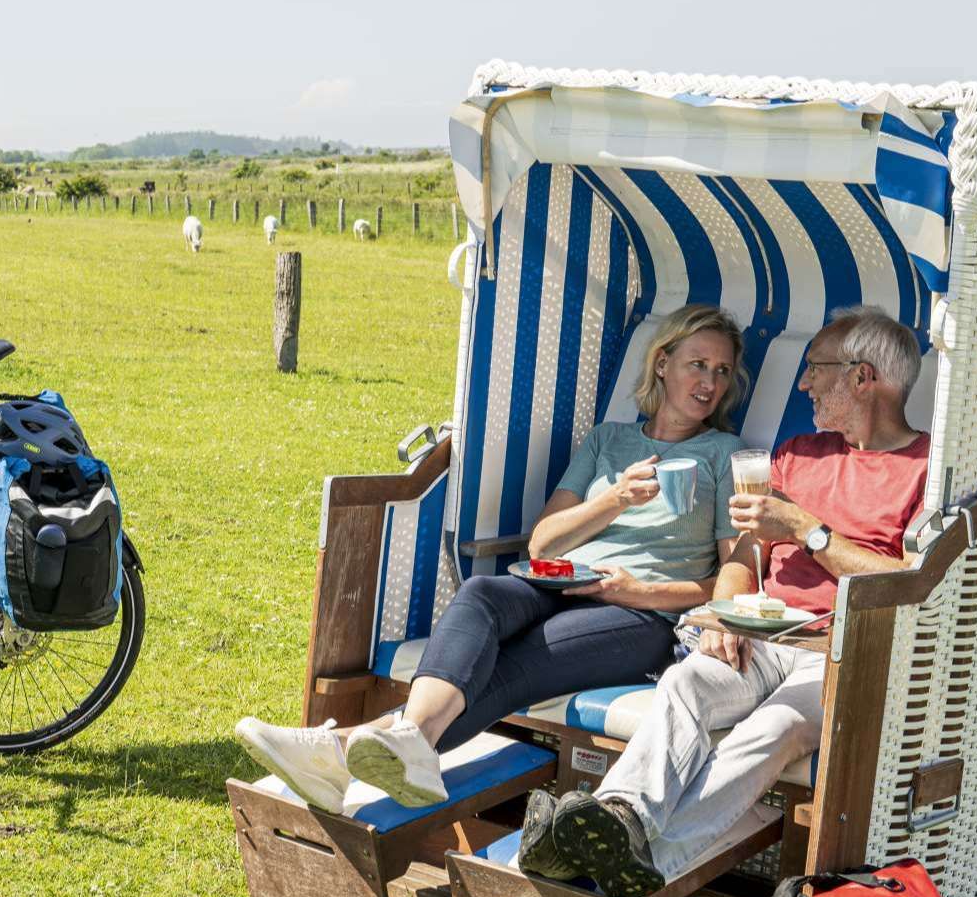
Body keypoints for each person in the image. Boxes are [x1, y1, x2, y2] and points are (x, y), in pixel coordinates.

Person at [235, 305, 752, 811]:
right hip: (561, 581)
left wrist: (639, 591)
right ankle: (405, 742)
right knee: (481, 591)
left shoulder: (724, 454)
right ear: (663, 363)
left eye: (723, 371)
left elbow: (734, 572)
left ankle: (338, 752)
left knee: (517, 662)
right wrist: (614, 498)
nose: (710, 381)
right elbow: (543, 544)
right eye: (698, 364)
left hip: (640, 615)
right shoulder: (609, 440)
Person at [531, 304, 931, 897]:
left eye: (815, 368)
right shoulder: (798, 453)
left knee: (773, 729)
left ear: (861, 377)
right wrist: (727, 613)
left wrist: (808, 531)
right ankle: (618, 818)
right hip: (766, 633)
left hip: (843, 648)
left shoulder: (925, 469)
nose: (803, 383)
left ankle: (631, 866)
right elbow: (743, 559)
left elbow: (907, 581)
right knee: (687, 684)